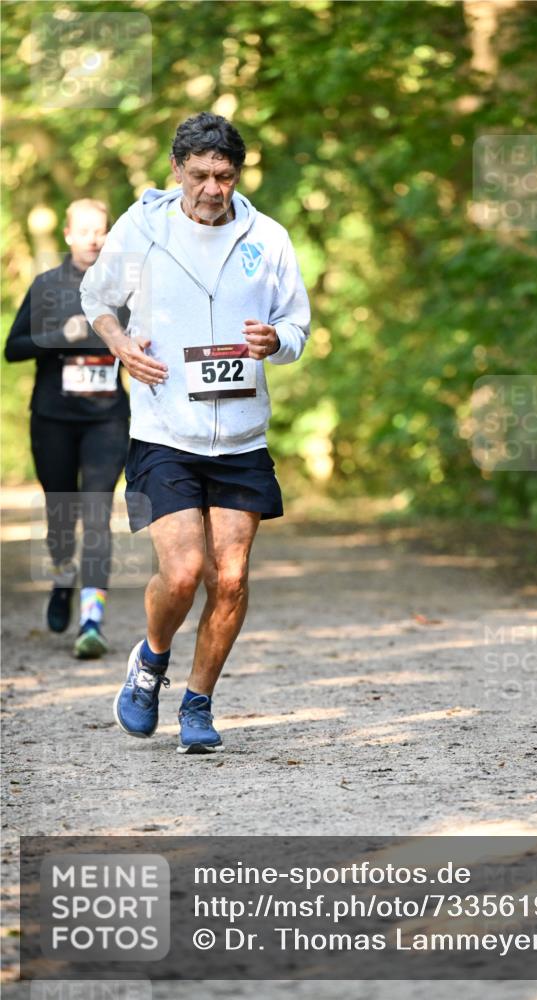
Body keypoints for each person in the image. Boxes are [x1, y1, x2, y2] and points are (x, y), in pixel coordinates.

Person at [80, 111, 311, 754]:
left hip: (240, 434)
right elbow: (96, 299)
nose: (214, 187)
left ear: (239, 172)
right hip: (163, 429)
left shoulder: (268, 238)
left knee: (230, 579)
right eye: (201, 174)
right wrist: (123, 346)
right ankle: (151, 662)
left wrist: (277, 341)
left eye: (226, 174)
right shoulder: (143, 228)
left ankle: (199, 701)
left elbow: (296, 326)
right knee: (182, 574)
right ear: (177, 168)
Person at [5, 199, 130, 659]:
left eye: (101, 230)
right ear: (68, 235)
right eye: (85, 231)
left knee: (97, 513)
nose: (94, 239)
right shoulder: (47, 285)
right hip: (54, 420)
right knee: (62, 515)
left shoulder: (124, 289)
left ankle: (91, 620)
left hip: (107, 419)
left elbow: (150, 342)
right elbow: (12, 349)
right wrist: (64, 335)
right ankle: (62, 577)